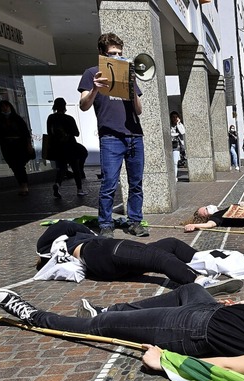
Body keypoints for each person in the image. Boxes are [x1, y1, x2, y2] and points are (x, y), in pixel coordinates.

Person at [0, 285, 244, 375]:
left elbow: (233, 367)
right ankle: (112, 309)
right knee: (188, 287)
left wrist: (167, 361)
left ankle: (34, 317)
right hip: (208, 309)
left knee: (101, 326)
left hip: (185, 331)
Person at [33, 219, 243, 295]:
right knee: (157, 258)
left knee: (170, 243)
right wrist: (90, 233)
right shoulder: (71, 240)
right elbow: (68, 225)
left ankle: (203, 260)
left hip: (102, 262)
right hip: (101, 250)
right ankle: (200, 282)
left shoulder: (60, 251)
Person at [78, 32, 148, 238]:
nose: (117, 57)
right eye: (112, 53)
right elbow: (83, 106)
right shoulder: (91, 73)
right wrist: (94, 90)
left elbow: (139, 109)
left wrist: (132, 87)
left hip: (134, 135)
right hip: (110, 137)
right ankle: (106, 224)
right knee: (109, 182)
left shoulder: (128, 73)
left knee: (136, 183)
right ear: (102, 54)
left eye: (120, 53)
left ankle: (135, 222)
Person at [46, 97, 87, 198]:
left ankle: (57, 184)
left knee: (62, 168)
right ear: (64, 106)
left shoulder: (51, 118)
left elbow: (49, 132)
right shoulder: (69, 118)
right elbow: (76, 133)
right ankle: (79, 189)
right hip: (70, 146)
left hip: (57, 147)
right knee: (75, 167)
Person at [0, 100, 33, 196]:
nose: (5, 108)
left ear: (10, 107)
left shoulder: (17, 119)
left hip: (19, 145)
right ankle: (21, 184)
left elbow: (26, 133)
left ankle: (24, 185)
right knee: (14, 166)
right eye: (3, 107)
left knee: (19, 165)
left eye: (7, 106)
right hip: (7, 146)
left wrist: (29, 145)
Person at [170, 111, 186, 177]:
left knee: (175, 162)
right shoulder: (169, 125)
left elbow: (182, 132)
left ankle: (175, 176)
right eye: (173, 117)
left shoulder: (180, 125)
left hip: (176, 146)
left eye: (176, 117)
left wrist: (178, 124)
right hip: (169, 144)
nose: (174, 118)